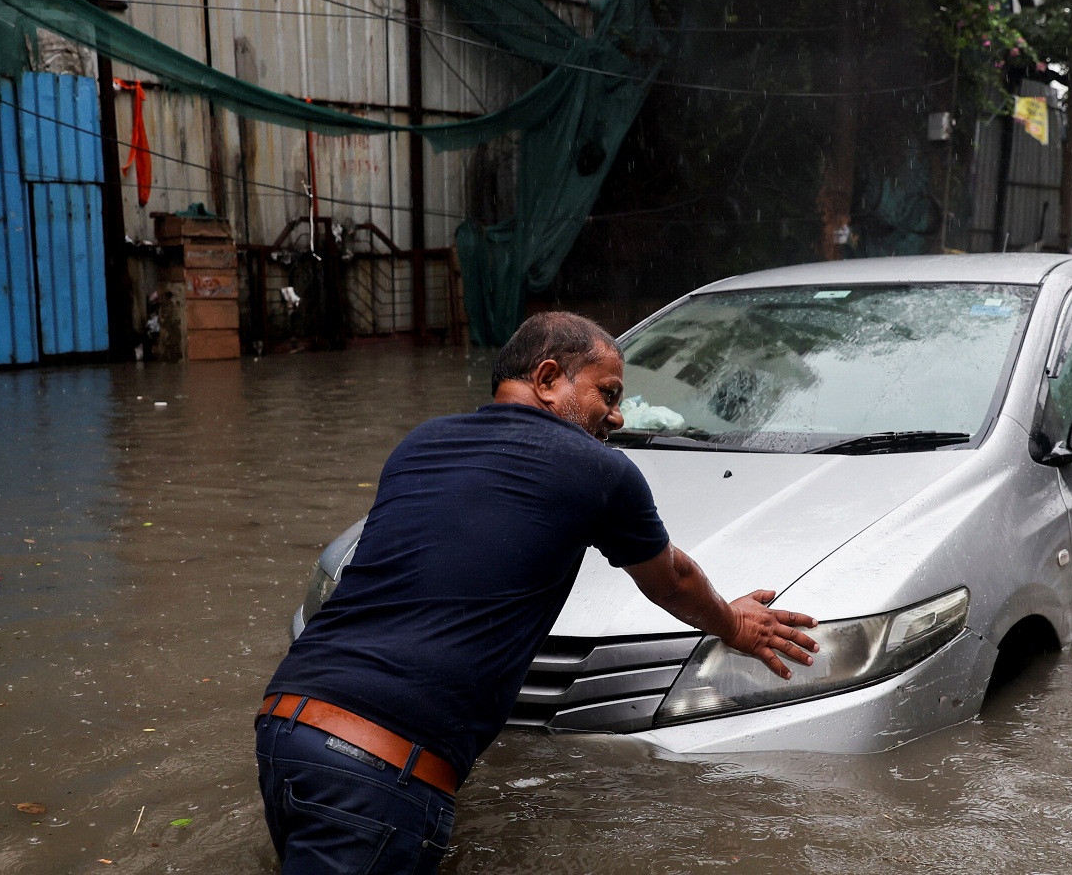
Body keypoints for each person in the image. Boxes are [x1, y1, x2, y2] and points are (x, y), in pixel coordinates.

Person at [255, 312, 819, 873]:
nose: (618, 416)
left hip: (286, 725)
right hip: (377, 765)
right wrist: (737, 625)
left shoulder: (421, 442)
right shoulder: (599, 470)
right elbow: (673, 579)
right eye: (608, 392)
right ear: (549, 380)